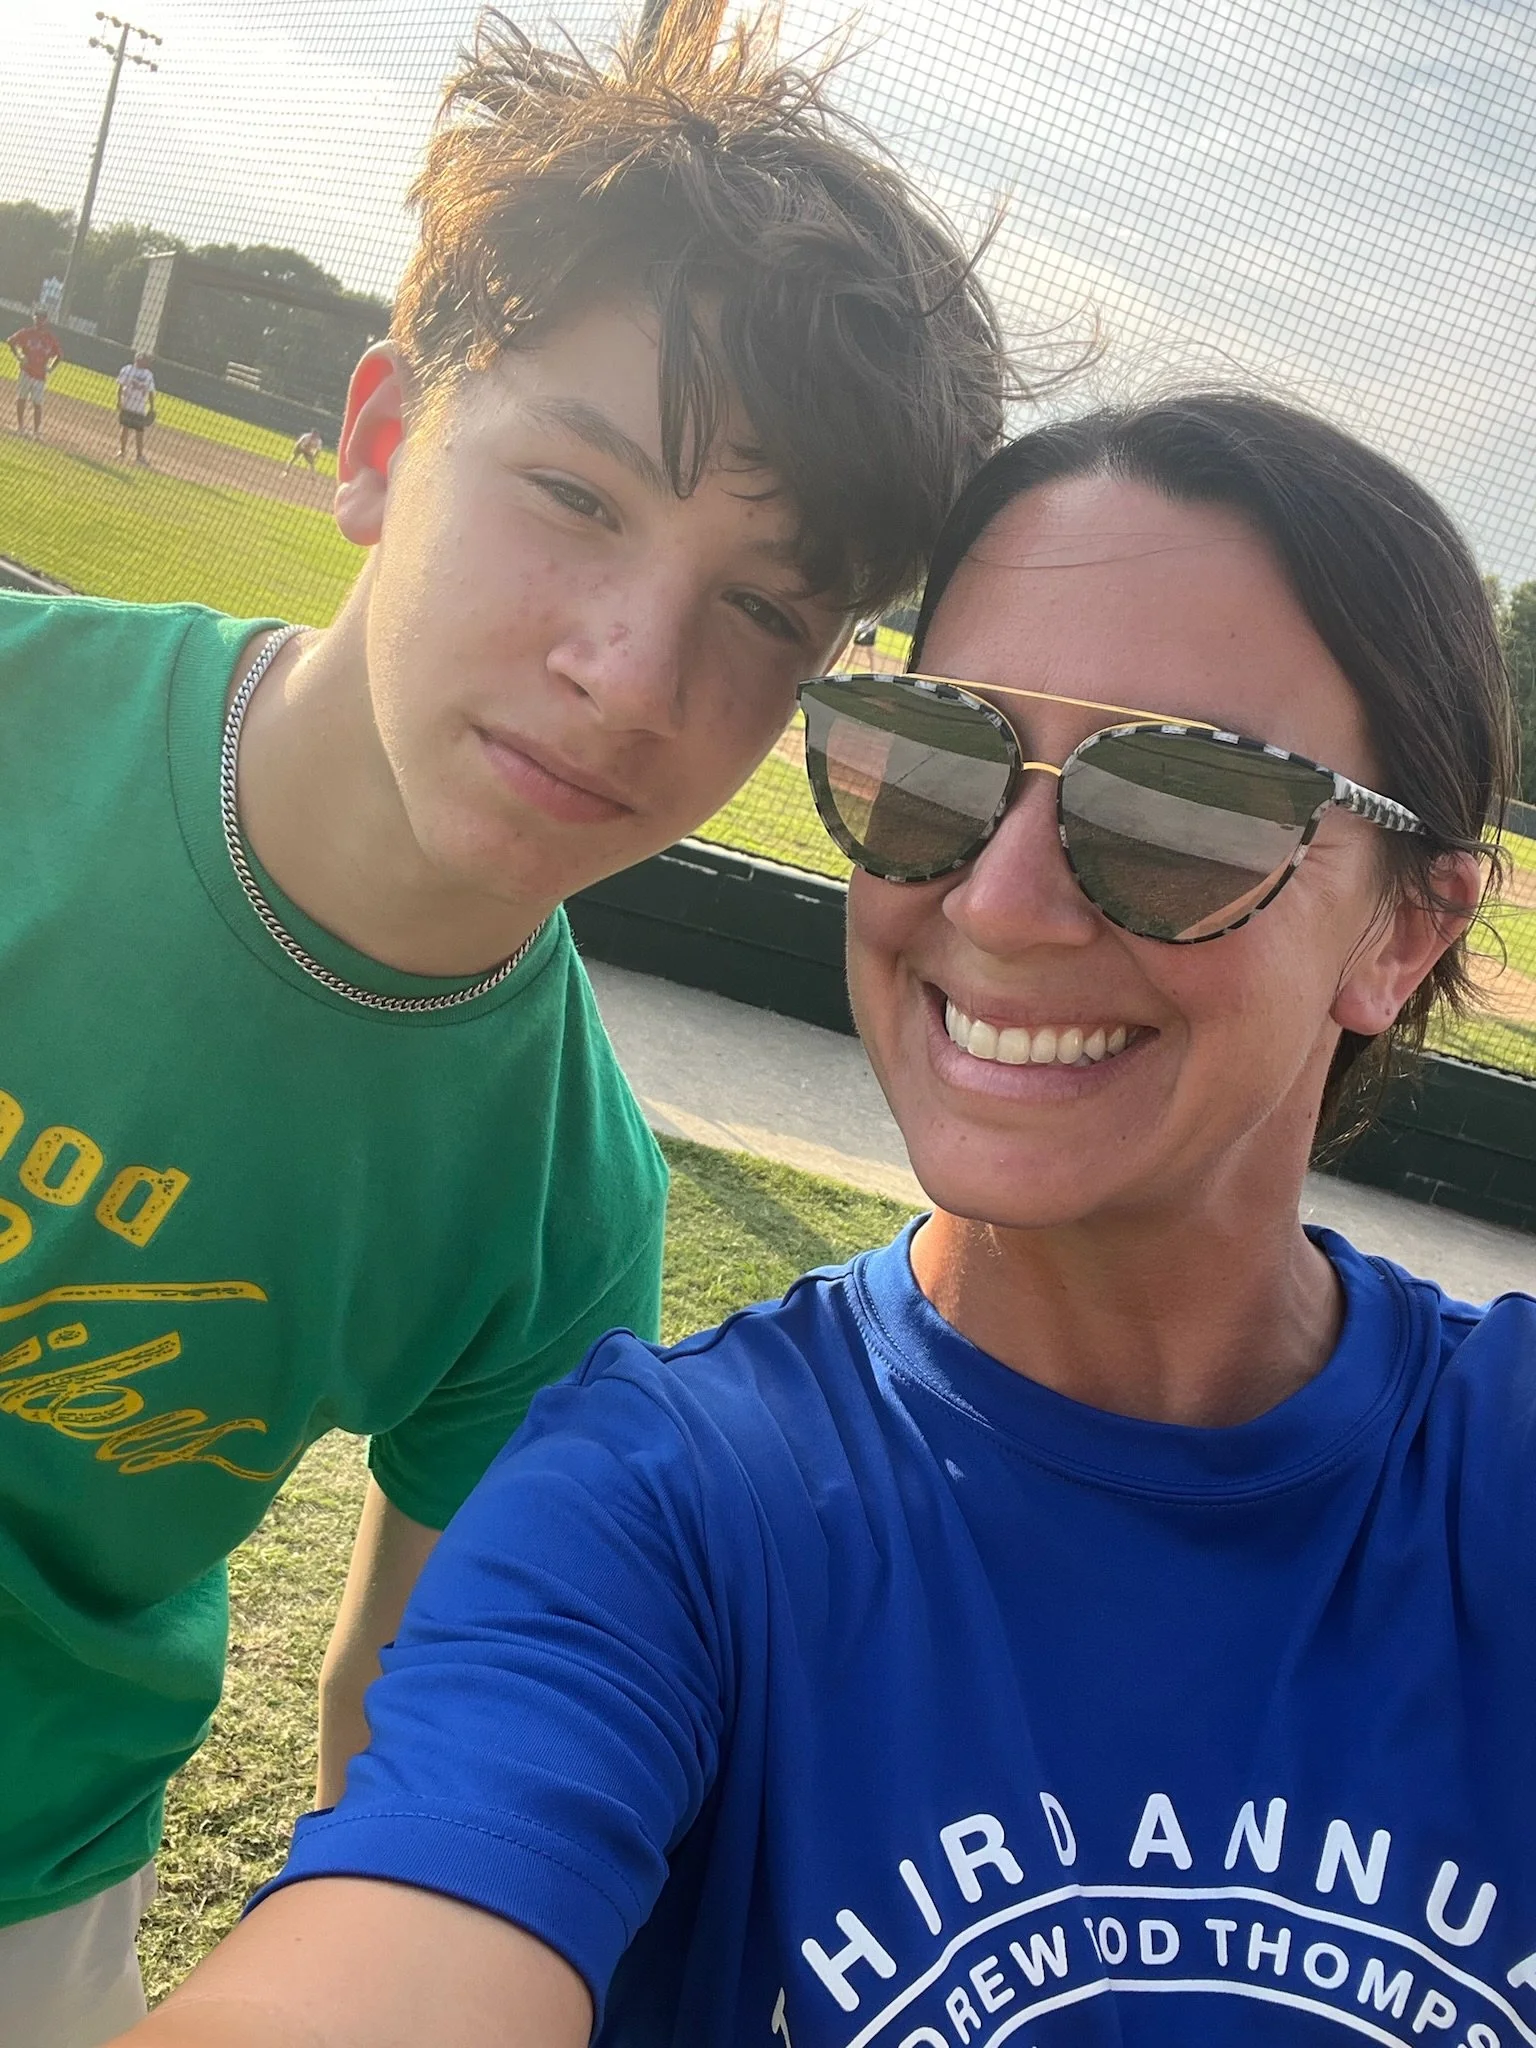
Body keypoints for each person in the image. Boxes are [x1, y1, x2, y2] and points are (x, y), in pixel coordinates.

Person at [118, 393, 1534, 2048]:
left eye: (1188, 805)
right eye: (936, 758)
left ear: (1403, 932)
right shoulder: (666, 1509)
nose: (996, 900)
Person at [0, 4, 1010, 2040]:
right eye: (573, 491)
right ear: (379, 444)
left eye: (762, 609)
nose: (634, 675)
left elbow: (412, 1723)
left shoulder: (556, 1209)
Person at [8, 307, 63, 436]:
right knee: (21, 399)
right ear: (34, 318)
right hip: (26, 372)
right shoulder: (26, 333)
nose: (39, 320)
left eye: (42, 318)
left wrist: (50, 368)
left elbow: (59, 355)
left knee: (37, 404)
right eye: (37, 317)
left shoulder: (50, 338)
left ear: (46, 320)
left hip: (40, 376)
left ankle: (36, 431)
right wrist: (19, 356)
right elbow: (11, 341)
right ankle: (20, 427)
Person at [117, 351, 157, 463]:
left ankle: (139, 456)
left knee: (139, 432)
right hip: (127, 405)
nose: (148, 362)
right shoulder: (127, 369)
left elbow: (150, 392)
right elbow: (120, 386)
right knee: (125, 428)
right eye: (146, 360)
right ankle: (122, 451)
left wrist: (152, 407)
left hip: (139, 408)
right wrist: (119, 401)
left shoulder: (148, 374)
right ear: (139, 359)